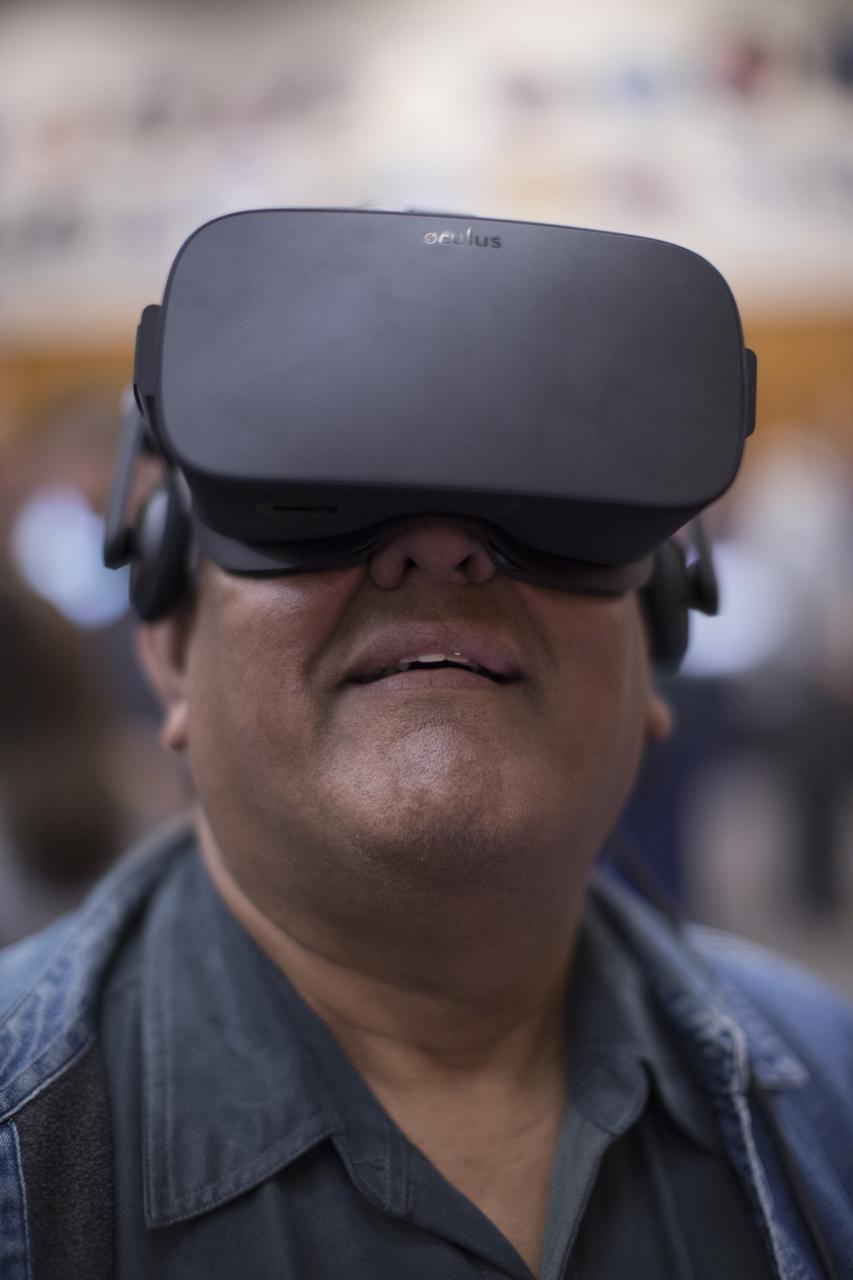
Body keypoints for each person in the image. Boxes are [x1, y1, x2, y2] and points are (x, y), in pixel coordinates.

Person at [1, 211, 850, 1280]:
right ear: (169, 642)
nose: (441, 551)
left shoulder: (831, 1091)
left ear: (661, 639)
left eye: (548, 514)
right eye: (318, 502)